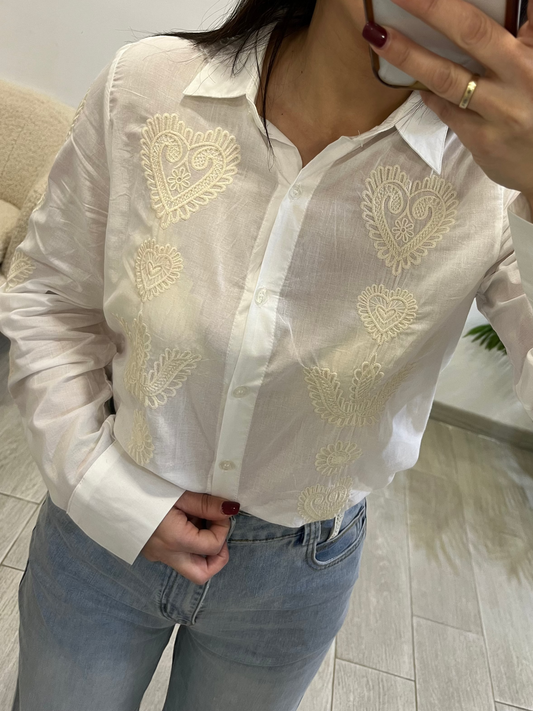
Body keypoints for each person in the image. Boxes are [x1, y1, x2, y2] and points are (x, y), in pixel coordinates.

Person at [1, 0, 533, 709]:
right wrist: (97, 484)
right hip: (98, 530)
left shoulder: (500, 185)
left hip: (296, 575)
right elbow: (49, 297)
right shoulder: (151, 86)